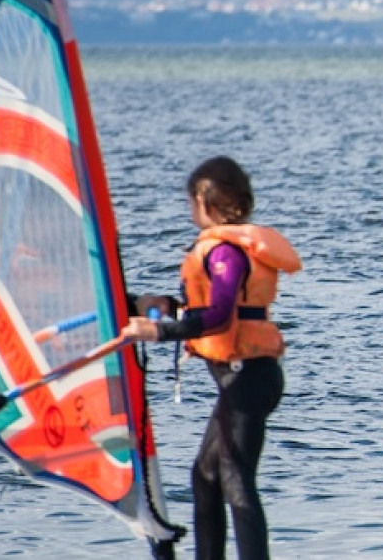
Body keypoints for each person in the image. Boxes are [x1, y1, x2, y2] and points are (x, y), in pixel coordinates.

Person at [123, 157, 301, 560]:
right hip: (248, 378)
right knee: (206, 477)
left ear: (205, 201)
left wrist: (158, 331)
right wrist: (162, 306)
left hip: (247, 379)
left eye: (191, 203)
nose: (190, 212)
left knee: (235, 479)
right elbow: (209, 307)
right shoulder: (226, 251)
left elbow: (219, 317)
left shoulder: (224, 253)